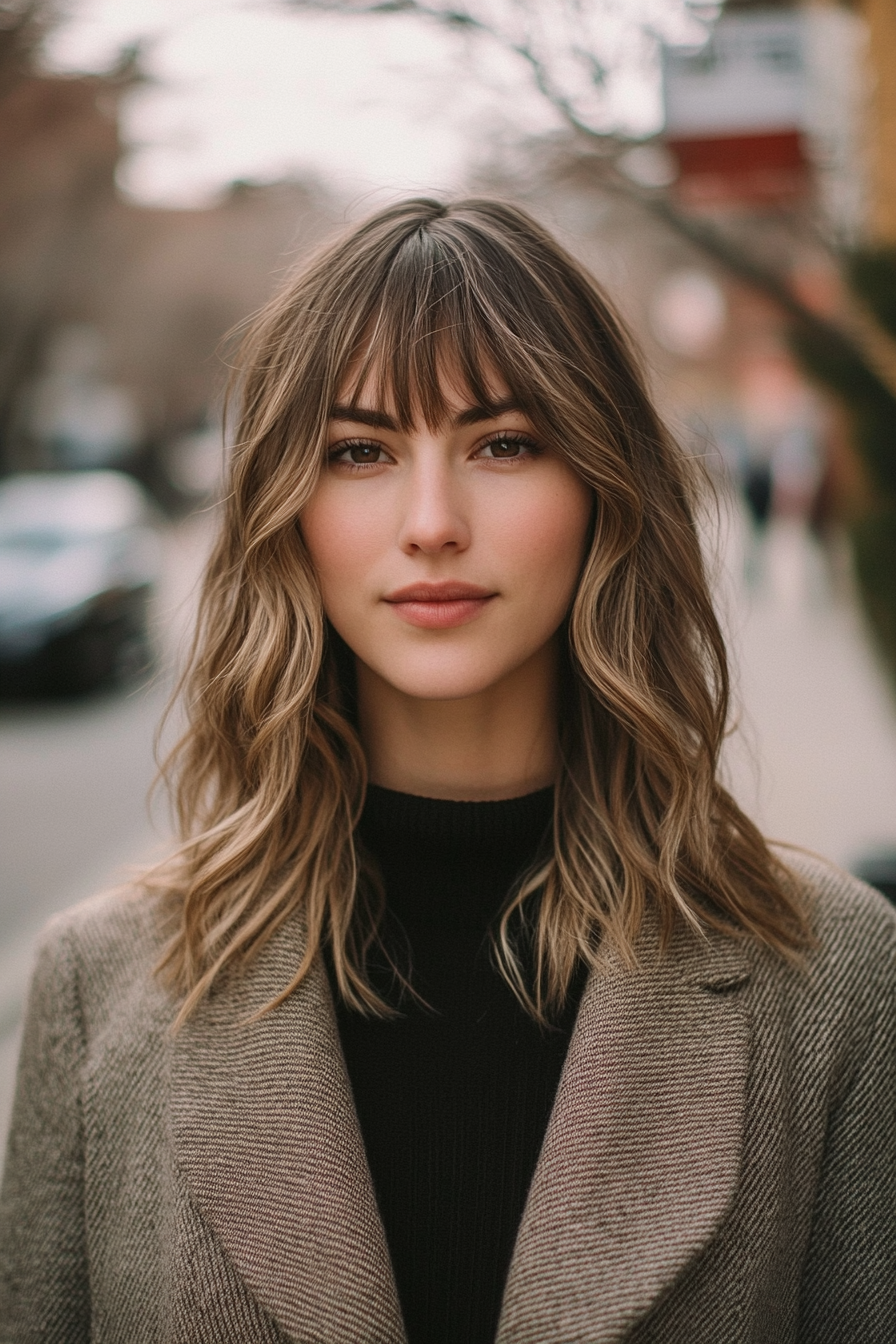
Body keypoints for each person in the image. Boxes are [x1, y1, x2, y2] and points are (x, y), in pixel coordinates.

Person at [1, 198, 894, 1344]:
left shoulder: (833, 981)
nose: (430, 522)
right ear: (287, 506)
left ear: (604, 488)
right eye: (359, 451)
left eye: (504, 444)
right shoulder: (99, 986)